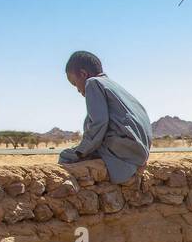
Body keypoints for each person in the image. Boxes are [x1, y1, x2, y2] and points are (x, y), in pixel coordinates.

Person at [59, 51, 152, 183]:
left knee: (66, 156)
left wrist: (80, 152)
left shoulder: (92, 83)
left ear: (84, 74)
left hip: (123, 152)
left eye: (75, 84)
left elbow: (99, 123)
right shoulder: (114, 86)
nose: (78, 90)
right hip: (139, 152)